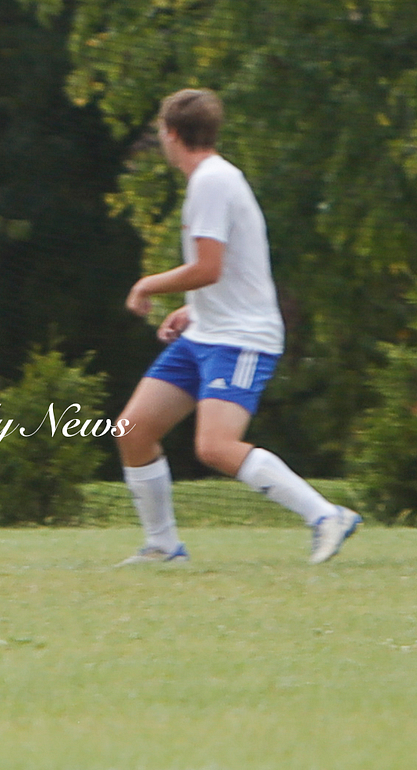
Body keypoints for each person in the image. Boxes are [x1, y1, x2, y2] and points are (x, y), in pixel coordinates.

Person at [114, 88, 359, 564]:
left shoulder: (212, 181)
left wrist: (147, 285)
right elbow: (230, 267)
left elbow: (209, 268)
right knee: (134, 429)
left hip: (241, 339)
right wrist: (194, 309)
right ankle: (164, 547)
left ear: (171, 133)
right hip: (206, 333)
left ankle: (327, 515)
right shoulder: (210, 180)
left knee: (215, 447)